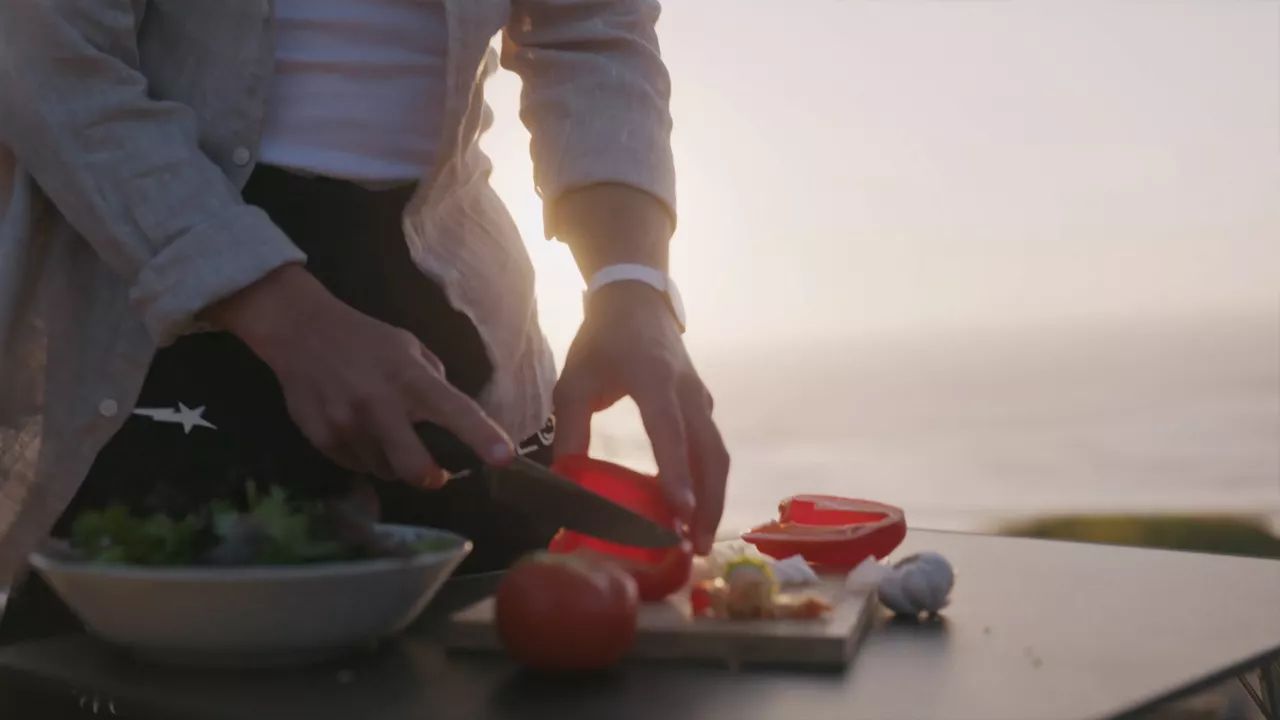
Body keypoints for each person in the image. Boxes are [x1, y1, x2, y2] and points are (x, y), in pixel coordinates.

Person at [0, 0, 729, 634]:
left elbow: (592, 28)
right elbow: (47, 57)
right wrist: (284, 313)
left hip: (449, 315)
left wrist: (632, 284)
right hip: (158, 304)